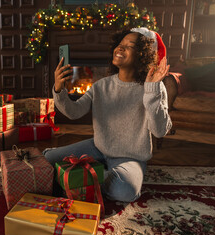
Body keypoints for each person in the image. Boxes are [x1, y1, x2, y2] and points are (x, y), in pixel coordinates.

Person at [43, 27, 172, 202]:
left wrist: (151, 90)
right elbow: (73, 112)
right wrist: (59, 89)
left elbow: (159, 131)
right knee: (47, 159)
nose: (120, 48)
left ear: (143, 54)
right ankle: (94, 173)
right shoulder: (101, 85)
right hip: (98, 147)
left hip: (130, 157)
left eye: (129, 46)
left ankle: (85, 176)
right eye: (120, 44)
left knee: (125, 191)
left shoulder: (154, 87)